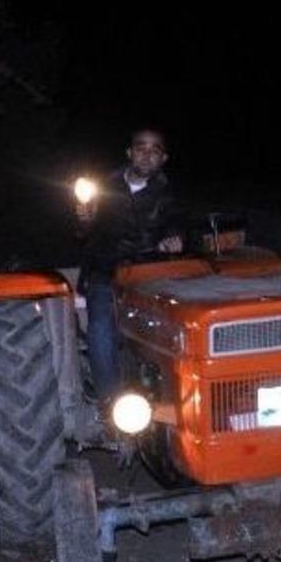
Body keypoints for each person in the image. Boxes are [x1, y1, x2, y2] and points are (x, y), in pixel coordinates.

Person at [75, 127, 183, 408]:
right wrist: (84, 218)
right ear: (129, 152)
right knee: (100, 328)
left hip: (149, 276)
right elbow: (82, 233)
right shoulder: (104, 187)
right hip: (106, 274)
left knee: (173, 331)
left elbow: (178, 226)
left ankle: (169, 402)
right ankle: (110, 404)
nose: (147, 155)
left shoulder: (169, 195)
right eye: (141, 147)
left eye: (154, 150)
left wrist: (176, 239)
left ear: (163, 158)